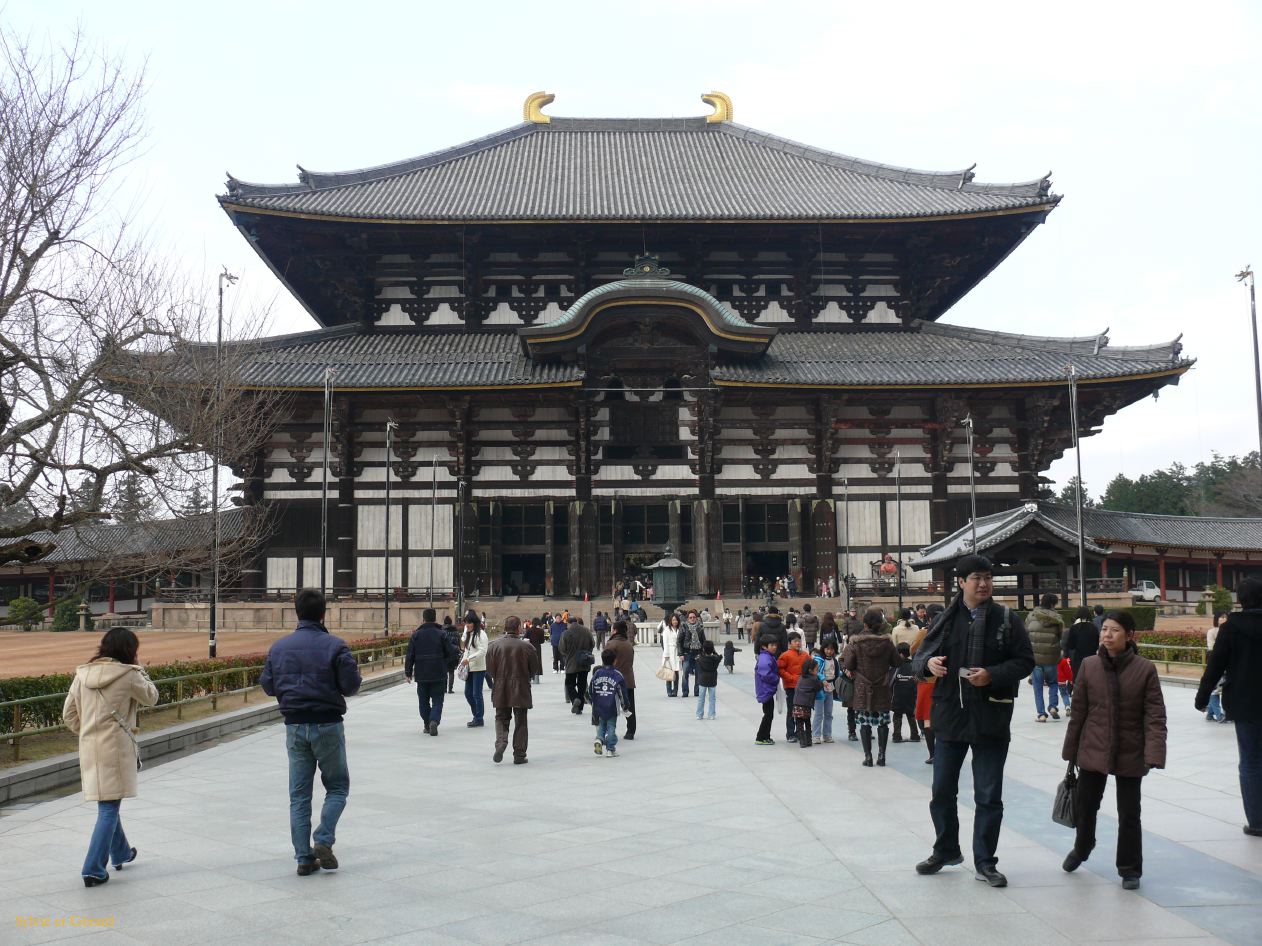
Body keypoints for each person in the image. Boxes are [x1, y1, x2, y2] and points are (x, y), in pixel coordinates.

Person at [910, 554, 1034, 888]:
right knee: (942, 791)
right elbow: (917, 660)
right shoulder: (945, 620)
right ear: (961, 582)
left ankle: (985, 861)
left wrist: (991, 674)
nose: (983, 584)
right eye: (976, 578)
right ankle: (946, 849)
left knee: (989, 795)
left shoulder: (1006, 618)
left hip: (991, 717)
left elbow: (1025, 661)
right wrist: (929, 665)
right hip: (950, 715)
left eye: (988, 578)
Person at [259, 589, 362, 875]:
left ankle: (304, 858)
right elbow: (351, 686)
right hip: (327, 723)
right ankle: (324, 838)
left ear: (296, 612)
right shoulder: (335, 645)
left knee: (299, 795)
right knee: (338, 786)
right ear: (323, 613)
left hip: (294, 725)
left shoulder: (279, 648)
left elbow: (267, 685)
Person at [1062, 609, 1167, 889]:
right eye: (1105, 629)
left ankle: (1129, 867)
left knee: (1129, 812)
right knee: (1086, 806)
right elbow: (1079, 712)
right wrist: (1071, 752)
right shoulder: (1089, 665)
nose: (1107, 635)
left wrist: (1154, 752)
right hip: (1093, 746)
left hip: (1130, 749)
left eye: (1115, 630)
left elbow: (1155, 714)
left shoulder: (1145, 669)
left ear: (1129, 635)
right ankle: (1082, 848)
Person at [62, 627, 160, 887]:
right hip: (115, 748)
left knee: (108, 800)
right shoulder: (128, 675)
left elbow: (69, 715)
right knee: (108, 807)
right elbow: (152, 698)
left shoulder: (82, 674)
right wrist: (140, 669)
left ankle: (121, 852)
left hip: (90, 747)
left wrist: (88, 732)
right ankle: (93, 868)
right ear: (130, 650)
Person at [1195, 577, 1262, 837]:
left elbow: (1216, 665)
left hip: (1245, 703)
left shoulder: (1232, 626)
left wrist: (1202, 697)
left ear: (1241, 600)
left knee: (1250, 761)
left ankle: (1257, 821)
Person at [842, 609, 903, 767]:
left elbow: (848, 664)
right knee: (883, 722)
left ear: (865, 623)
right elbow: (897, 662)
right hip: (882, 686)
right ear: (881, 624)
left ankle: (868, 757)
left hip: (863, 687)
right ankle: (881, 756)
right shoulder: (887, 642)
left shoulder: (856, 642)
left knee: (865, 723)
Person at [485, 616, 541, 764]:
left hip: (500, 687)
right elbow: (534, 669)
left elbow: (490, 670)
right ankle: (519, 754)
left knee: (501, 717)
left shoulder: (493, 646)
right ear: (518, 628)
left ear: (505, 627)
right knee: (521, 720)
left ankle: (501, 742)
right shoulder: (527, 647)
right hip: (520, 687)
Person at [404, 607, 457, 736]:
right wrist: (446, 663)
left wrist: (408, 672)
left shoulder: (416, 635)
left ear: (423, 619)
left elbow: (410, 655)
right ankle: (434, 720)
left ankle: (427, 724)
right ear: (435, 619)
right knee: (438, 700)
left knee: (423, 701)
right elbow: (451, 651)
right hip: (438, 672)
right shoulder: (441, 634)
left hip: (422, 674)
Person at [1026, 593, 1064, 722]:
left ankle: (1041, 714)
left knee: (1037, 687)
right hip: (1051, 657)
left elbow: (1026, 634)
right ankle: (1053, 706)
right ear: (1053, 604)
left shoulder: (1031, 616)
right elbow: (1060, 637)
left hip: (1035, 658)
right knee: (1053, 683)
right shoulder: (1057, 618)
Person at [590, 649, 628, 757]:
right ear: (615, 661)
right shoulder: (617, 675)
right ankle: (610, 749)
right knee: (611, 727)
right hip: (611, 706)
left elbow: (591, 689)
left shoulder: (597, 673)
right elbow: (622, 692)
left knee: (602, 726)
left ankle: (599, 740)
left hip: (599, 706)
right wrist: (625, 705)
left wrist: (593, 702)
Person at [605, 619, 637, 740]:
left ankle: (609, 730)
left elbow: (606, 661)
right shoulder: (628, 644)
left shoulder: (611, 644)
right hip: (628, 678)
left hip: (613, 679)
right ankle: (631, 731)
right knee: (629, 706)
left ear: (615, 630)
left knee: (610, 706)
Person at [778, 632, 810, 742]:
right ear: (790, 643)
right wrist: (790, 678)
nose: (797, 643)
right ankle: (790, 734)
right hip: (790, 686)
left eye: (799, 641)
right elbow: (780, 669)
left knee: (801, 710)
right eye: (795, 641)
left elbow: (811, 666)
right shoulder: (785, 655)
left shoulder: (805, 655)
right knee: (791, 710)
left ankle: (800, 732)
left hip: (803, 687)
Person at [560, 616, 596, 714]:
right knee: (582, 685)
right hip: (584, 662)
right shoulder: (586, 631)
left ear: (568, 623)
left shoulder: (566, 633)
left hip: (571, 663)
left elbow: (562, 649)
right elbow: (592, 644)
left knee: (569, 683)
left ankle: (575, 698)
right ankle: (579, 708)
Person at [460, 610, 488, 728]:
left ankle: (479, 718)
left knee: (477, 694)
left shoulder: (481, 634)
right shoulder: (470, 634)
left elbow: (483, 651)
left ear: (475, 623)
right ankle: (476, 714)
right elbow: (466, 648)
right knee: (468, 693)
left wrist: (469, 659)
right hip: (469, 668)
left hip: (479, 668)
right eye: (466, 623)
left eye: (469, 623)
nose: (467, 625)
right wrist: (463, 661)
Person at [813, 641, 841, 743]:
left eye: (832, 649)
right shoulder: (818, 659)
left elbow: (837, 674)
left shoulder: (834, 660)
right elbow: (815, 672)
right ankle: (816, 735)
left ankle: (827, 735)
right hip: (819, 689)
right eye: (827, 649)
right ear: (823, 648)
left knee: (828, 713)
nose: (829, 651)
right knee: (819, 713)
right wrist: (822, 679)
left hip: (830, 688)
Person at [891, 642, 919, 743]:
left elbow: (891, 681)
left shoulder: (895, 666)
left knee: (897, 715)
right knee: (911, 715)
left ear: (900, 654)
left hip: (898, 695)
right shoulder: (913, 665)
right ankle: (915, 735)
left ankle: (897, 736)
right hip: (911, 696)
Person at [754, 636, 780, 745]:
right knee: (768, 714)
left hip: (767, 689)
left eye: (775, 645)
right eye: (772, 645)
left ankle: (766, 736)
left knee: (769, 714)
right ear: (765, 646)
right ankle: (761, 737)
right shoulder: (765, 658)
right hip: (766, 690)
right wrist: (777, 679)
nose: (775, 647)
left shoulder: (767, 656)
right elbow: (766, 674)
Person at [793, 659, 825, 747]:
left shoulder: (801, 677)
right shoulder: (813, 679)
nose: (817, 672)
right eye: (816, 670)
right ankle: (808, 740)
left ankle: (802, 742)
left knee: (799, 724)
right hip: (806, 704)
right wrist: (822, 681)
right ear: (810, 670)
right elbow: (819, 687)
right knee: (807, 722)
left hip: (797, 703)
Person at [1064, 606, 1100, 683]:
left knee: (1079, 680)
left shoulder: (1074, 628)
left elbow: (1071, 645)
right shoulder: (1093, 628)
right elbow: (1097, 643)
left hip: (1078, 658)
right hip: (1092, 657)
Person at [1204, 611, 1228, 723]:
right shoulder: (1212, 631)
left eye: (1225, 617)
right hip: (1216, 664)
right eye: (1221, 617)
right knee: (1215, 690)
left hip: (1228, 664)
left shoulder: (1231, 631)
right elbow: (1211, 648)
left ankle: (1210, 714)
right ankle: (1219, 715)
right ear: (1217, 619)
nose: (1223, 619)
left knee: (1224, 689)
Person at [677, 610, 707, 698]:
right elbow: (679, 641)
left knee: (698, 673)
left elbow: (703, 641)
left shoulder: (700, 627)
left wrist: (705, 653)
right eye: (690, 617)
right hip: (687, 652)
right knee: (685, 673)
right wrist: (680, 654)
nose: (692, 619)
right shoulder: (684, 626)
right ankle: (685, 692)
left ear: (696, 618)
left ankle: (697, 691)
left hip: (698, 652)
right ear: (688, 618)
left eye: (694, 617)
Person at [695, 640, 722, 720]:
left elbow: (697, 657)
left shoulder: (700, 658)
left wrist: (701, 651)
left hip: (702, 679)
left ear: (703, 649)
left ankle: (699, 714)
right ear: (712, 649)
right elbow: (718, 656)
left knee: (701, 698)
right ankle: (711, 714)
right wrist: (714, 651)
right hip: (712, 680)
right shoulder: (715, 659)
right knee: (712, 698)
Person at [660, 612, 682, 696]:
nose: (675, 621)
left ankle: (675, 690)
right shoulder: (666, 630)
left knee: (676, 672)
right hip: (669, 651)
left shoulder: (680, 629)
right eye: (673, 620)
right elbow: (665, 643)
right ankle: (669, 690)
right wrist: (666, 655)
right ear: (670, 621)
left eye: (676, 620)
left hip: (677, 652)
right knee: (669, 672)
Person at [443, 619, 463, 694]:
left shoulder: (442, 632)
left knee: (445, 672)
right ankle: (450, 689)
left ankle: (444, 689)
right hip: (454, 654)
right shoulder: (456, 632)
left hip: (445, 655)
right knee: (451, 672)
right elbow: (459, 644)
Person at [525, 619, 546, 683]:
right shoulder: (541, 631)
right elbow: (542, 641)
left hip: (529, 647)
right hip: (537, 647)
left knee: (529, 661)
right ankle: (536, 677)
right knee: (537, 661)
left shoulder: (529, 630)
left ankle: (529, 677)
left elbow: (524, 638)